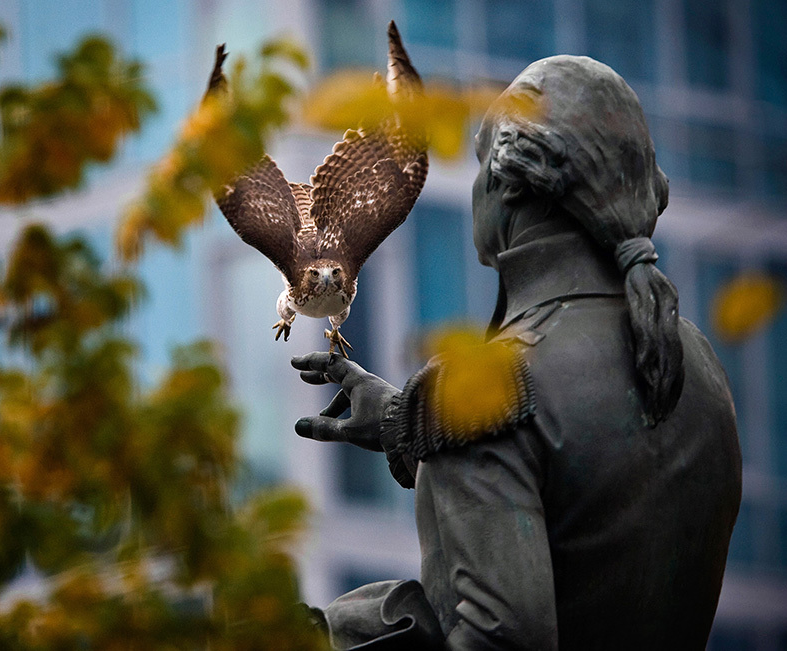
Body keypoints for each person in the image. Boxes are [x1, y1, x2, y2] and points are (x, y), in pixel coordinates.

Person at [292, 55, 742, 650]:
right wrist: (411, 422)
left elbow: (503, 640)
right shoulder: (692, 359)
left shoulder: (488, 390)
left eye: (480, 166)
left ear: (506, 185)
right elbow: (587, 489)